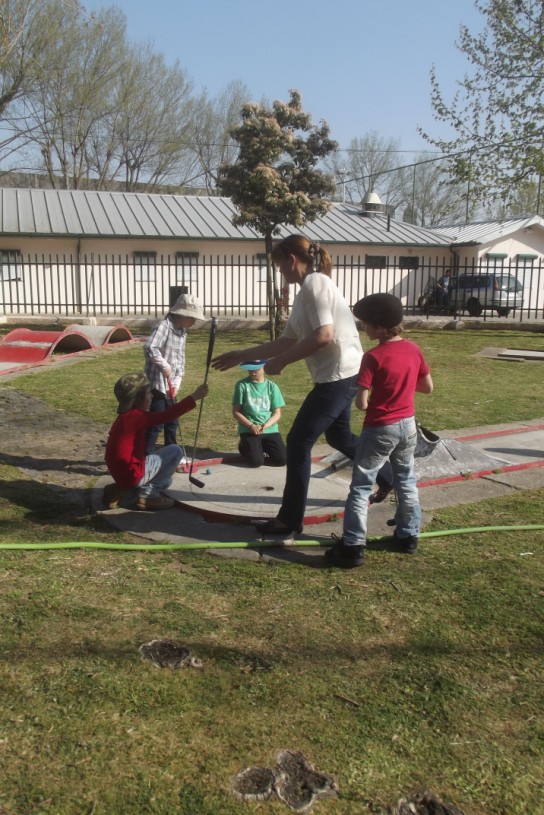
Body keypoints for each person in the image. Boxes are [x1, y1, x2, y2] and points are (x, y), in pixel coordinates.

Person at [212, 234, 364, 538]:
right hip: (343, 374)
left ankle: (289, 520)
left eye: (279, 265)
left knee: (297, 443)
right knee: (340, 438)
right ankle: (389, 475)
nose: (279, 271)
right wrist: (242, 355)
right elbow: (286, 340)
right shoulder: (305, 292)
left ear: (291, 260)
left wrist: (281, 363)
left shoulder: (315, 283)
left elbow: (323, 334)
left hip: (339, 376)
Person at [325, 293, 433, 568]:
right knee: (406, 480)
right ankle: (408, 536)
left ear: (380, 327)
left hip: (380, 428)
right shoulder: (413, 348)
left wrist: (374, 397)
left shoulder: (372, 357)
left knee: (361, 486)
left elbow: (361, 404)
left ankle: (352, 546)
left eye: (365, 323)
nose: (363, 328)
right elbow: (427, 386)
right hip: (408, 426)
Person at [103, 372, 208, 512]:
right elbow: (168, 415)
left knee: (165, 479)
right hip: (131, 473)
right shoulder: (137, 417)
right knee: (175, 452)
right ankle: (148, 496)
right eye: (148, 393)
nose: (152, 396)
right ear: (139, 399)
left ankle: (120, 489)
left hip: (120, 472)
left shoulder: (125, 417)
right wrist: (194, 396)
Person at [143, 292, 205, 457]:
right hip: (156, 384)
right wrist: (163, 365)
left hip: (170, 385)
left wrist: (176, 383)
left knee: (172, 420)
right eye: (192, 318)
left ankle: (172, 454)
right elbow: (150, 347)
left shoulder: (182, 332)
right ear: (182, 314)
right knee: (156, 423)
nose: (194, 321)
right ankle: (146, 457)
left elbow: (180, 361)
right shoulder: (164, 326)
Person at [233, 360, 287, 468]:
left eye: (256, 370)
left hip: (269, 428)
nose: (252, 372)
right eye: (250, 369)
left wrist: (266, 425)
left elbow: (277, 413)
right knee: (255, 462)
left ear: (264, 368)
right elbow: (236, 412)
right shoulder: (242, 385)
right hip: (249, 428)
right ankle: (245, 447)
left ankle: (260, 448)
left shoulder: (272, 387)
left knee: (282, 460)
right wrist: (251, 426)